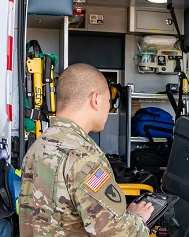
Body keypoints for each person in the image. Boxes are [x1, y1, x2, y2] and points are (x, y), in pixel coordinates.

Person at [18, 63, 154, 236]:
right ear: (95, 99)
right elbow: (117, 233)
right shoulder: (83, 155)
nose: (108, 108)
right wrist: (137, 217)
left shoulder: (39, 145)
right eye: (109, 101)